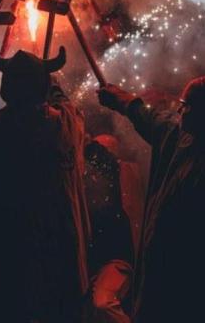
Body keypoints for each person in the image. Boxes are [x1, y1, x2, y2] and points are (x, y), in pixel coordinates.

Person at [98, 76, 205, 323]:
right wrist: (121, 99)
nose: (181, 110)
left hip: (194, 293)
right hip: (162, 279)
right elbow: (150, 117)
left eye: (187, 105)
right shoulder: (181, 135)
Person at [0, 44, 91, 322]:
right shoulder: (60, 126)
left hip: (3, 249)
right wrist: (55, 87)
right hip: (52, 247)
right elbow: (72, 112)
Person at [83, 134, 135, 323]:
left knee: (103, 303)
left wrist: (84, 141)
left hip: (115, 260)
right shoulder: (84, 194)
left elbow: (106, 162)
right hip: (91, 265)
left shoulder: (112, 188)